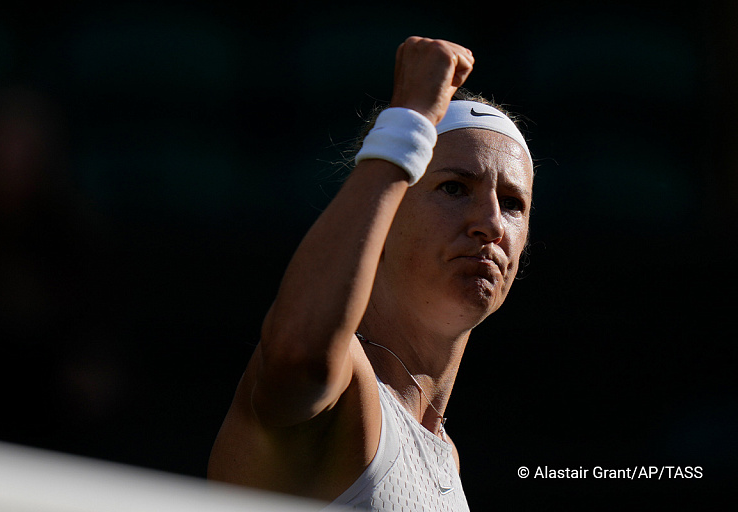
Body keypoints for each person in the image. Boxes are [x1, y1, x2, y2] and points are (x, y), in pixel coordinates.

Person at [208, 36, 534, 511]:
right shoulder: (349, 392)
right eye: (454, 187)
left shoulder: (444, 455)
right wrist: (409, 122)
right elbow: (300, 355)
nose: (489, 223)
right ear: (383, 212)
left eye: (512, 204)